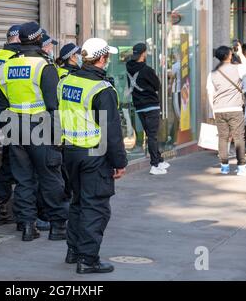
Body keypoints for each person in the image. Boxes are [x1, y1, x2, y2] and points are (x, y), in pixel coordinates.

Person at [0, 22, 69, 242]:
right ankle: (58, 226)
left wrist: (7, 128)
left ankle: (28, 226)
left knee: (23, 180)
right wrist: (58, 136)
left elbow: (0, 103)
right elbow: (54, 105)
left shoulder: (6, 66)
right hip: (40, 127)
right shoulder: (44, 66)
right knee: (50, 177)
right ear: (38, 39)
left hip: (15, 127)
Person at [59, 37, 127, 274]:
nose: (108, 59)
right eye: (107, 56)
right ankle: (88, 259)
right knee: (95, 206)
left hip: (70, 151)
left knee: (78, 201)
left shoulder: (66, 81)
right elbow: (111, 130)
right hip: (94, 153)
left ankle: (74, 251)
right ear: (101, 58)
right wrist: (119, 162)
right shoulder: (102, 89)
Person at [206, 45, 246, 176]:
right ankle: (241, 167)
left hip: (219, 110)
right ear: (229, 55)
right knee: (239, 137)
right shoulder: (238, 68)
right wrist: (241, 53)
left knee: (223, 138)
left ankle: (224, 167)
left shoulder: (212, 73)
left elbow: (210, 93)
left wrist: (214, 111)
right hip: (235, 109)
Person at [0, 25, 21, 226]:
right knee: (18, 164)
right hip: (16, 115)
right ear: (18, 39)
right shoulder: (14, 60)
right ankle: (12, 211)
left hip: (4, 114)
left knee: (10, 162)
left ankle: (2, 208)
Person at [126, 43, 171, 175]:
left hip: (139, 106)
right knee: (152, 135)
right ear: (143, 53)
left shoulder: (129, 67)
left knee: (151, 135)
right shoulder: (147, 70)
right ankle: (155, 165)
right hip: (151, 105)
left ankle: (160, 160)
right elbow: (157, 85)